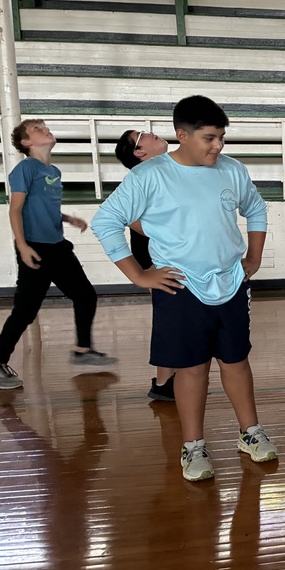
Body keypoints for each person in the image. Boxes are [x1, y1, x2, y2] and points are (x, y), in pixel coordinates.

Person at [91, 95, 277, 482]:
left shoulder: (232, 170)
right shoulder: (150, 176)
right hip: (180, 287)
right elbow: (106, 222)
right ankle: (193, 446)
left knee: (237, 361)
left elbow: (256, 208)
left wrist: (253, 259)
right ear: (182, 135)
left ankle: (250, 432)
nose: (218, 146)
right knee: (191, 369)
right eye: (210, 138)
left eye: (222, 137)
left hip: (230, 282)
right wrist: (139, 275)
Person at [0, 120, 118, 391]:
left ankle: (83, 351)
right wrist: (22, 245)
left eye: (45, 126)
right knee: (26, 311)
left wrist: (66, 218)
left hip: (58, 246)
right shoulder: (26, 168)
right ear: (26, 143)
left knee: (85, 296)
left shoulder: (53, 170)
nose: (45, 130)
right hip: (35, 248)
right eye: (38, 129)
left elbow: (42, 206)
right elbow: (15, 209)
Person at [115, 128, 176, 401]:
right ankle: (164, 383)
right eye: (142, 135)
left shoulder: (167, 170)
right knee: (169, 317)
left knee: (175, 316)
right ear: (139, 152)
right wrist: (164, 232)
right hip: (155, 258)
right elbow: (125, 217)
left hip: (169, 254)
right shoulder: (141, 177)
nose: (151, 133)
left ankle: (167, 380)